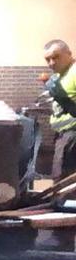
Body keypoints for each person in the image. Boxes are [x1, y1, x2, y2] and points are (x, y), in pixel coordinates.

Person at [46, 39, 76, 177]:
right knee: (60, 182)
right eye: (48, 59)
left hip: (72, 136)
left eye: (56, 57)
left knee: (64, 185)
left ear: (69, 54)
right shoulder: (59, 76)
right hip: (63, 135)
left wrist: (62, 98)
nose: (52, 63)